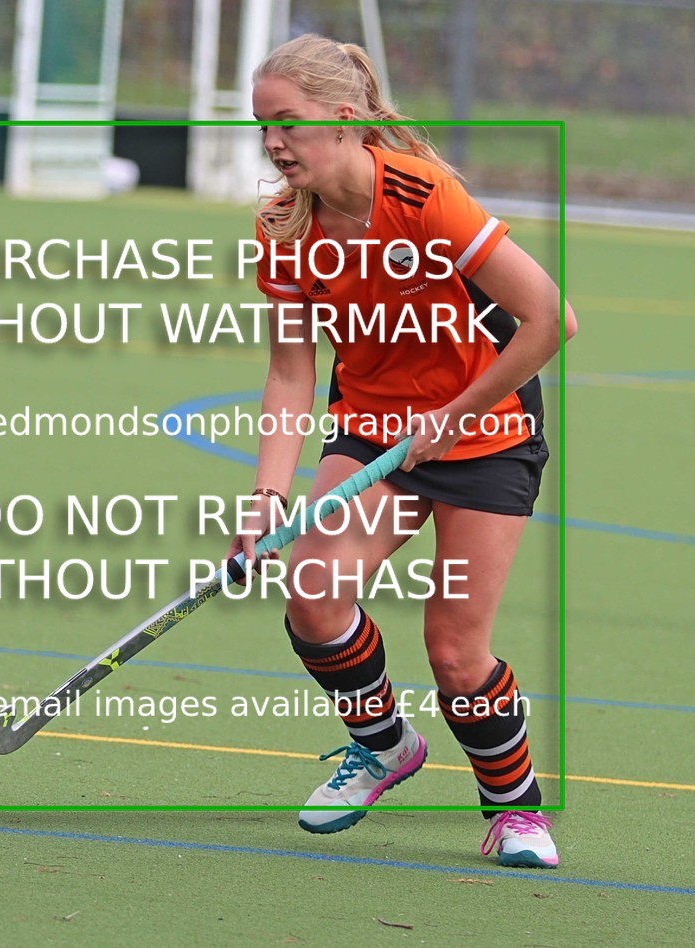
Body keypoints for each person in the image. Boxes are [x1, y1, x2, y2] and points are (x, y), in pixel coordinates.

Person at [230, 33, 576, 868]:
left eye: (289, 123)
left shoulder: (424, 197)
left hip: (485, 432)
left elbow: (549, 320)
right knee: (310, 591)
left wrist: (456, 415)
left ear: (345, 120)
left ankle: (514, 810)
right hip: (376, 426)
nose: (274, 143)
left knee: (456, 652)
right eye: (262, 127)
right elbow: (289, 375)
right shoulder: (282, 228)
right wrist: (267, 499)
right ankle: (384, 743)